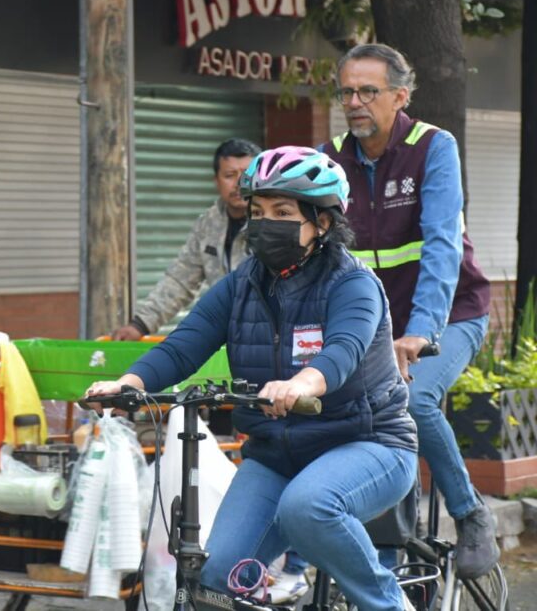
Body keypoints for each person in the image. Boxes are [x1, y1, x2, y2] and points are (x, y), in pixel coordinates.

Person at [89, 146, 419, 611]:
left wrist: (302, 384)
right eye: (258, 211)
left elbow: (342, 351)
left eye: (283, 212)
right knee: (216, 582)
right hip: (276, 454)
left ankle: (389, 604)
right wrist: (129, 384)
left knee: (307, 507)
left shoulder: (353, 283)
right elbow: (185, 345)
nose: (265, 223)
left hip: (370, 443)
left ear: (321, 222)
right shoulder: (242, 284)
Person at [322, 43, 497, 579]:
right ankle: (388, 554)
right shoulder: (328, 159)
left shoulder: (432, 148)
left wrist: (420, 333)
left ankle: (470, 514)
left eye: (368, 91)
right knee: (350, 418)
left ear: (400, 96)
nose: (355, 102)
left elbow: (443, 246)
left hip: (450, 314)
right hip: (374, 327)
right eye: (347, 91)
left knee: (415, 399)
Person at [111, 138, 260, 340]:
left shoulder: (273, 223)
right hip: (228, 337)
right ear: (216, 181)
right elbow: (181, 279)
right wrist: (140, 324)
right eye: (229, 175)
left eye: (246, 175)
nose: (238, 183)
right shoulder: (208, 224)